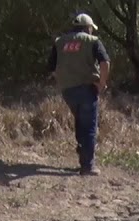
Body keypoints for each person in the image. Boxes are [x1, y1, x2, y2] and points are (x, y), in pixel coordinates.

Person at [49, 13, 111, 175]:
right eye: (91, 28)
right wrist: (101, 84)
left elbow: (52, 68)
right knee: (89, 126)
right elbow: (105, 62)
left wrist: (64, 81)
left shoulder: (60, 42)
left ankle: (83, 159)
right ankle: (88, 166)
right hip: (87, 88)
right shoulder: (92, 41)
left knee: (80, 122)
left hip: (67, 92)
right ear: (88, 27)